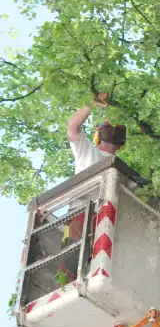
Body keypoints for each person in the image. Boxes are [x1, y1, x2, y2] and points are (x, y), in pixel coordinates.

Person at [62, 92, 126, 247]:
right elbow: (72, 127)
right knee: (75, 260)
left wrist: (93, 103)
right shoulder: (92, 155)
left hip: (103, 221)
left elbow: (72, 127)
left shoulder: (121, 171)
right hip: (90, 218)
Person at [67, 92, 126, 174]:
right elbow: (73, 126)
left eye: (118, 129)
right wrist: (92, 102)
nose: (113, 127)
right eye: (108, 126)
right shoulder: (88, 152)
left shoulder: (122, 170)